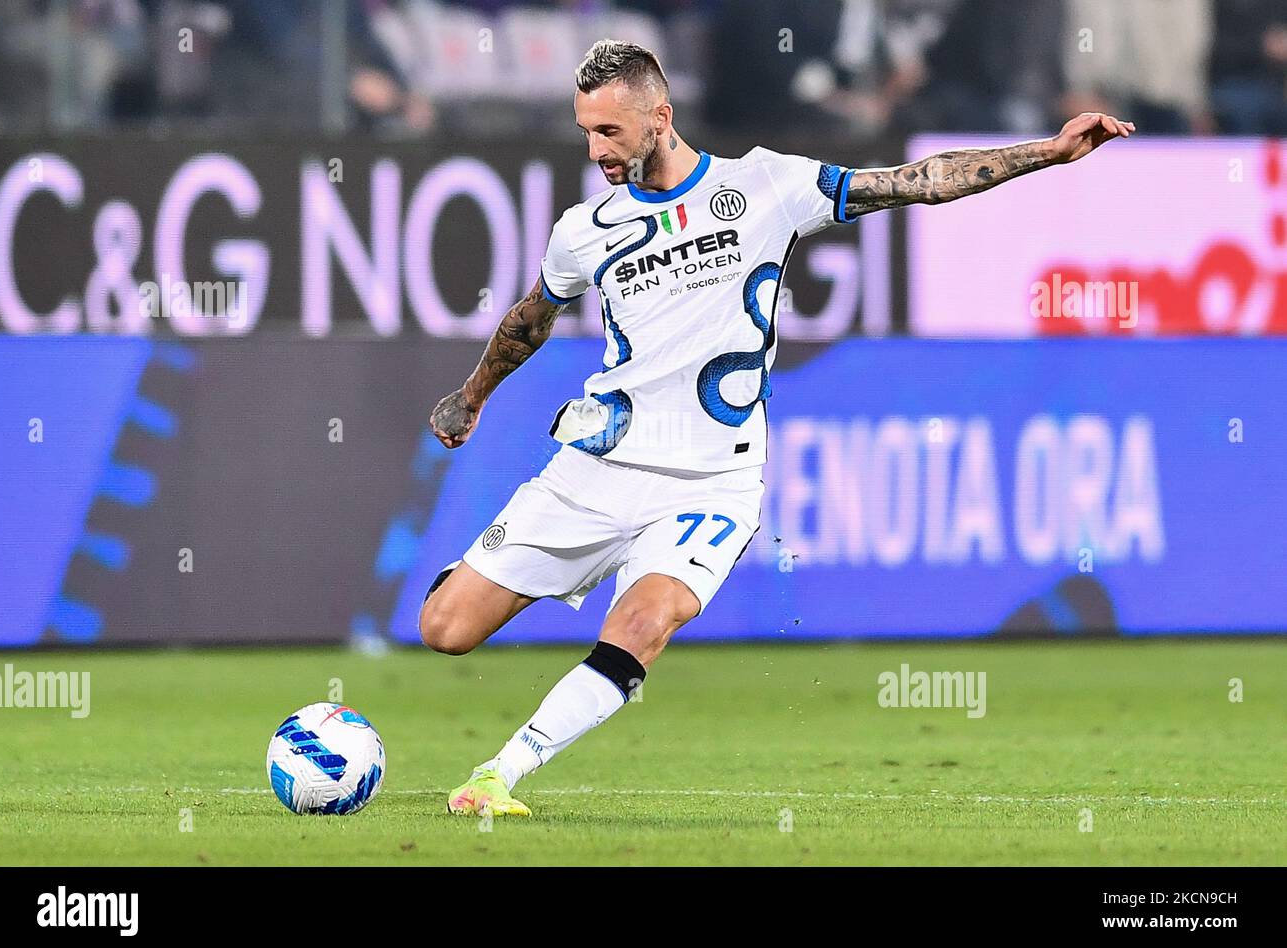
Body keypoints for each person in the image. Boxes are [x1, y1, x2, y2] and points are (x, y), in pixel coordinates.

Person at [422, 38, 1133, 817]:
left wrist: (1049, 152)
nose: (596, 151)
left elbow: (917, 183)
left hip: (710, 482)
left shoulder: (764, 185)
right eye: (586, 133)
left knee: (646, 619)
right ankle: (492, 584)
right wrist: (474, 393)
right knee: (445, 628)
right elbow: (533, 315)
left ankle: (500, 774)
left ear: (660, 117)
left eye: (611, 133)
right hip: (598, 464)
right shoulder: (584, 230)